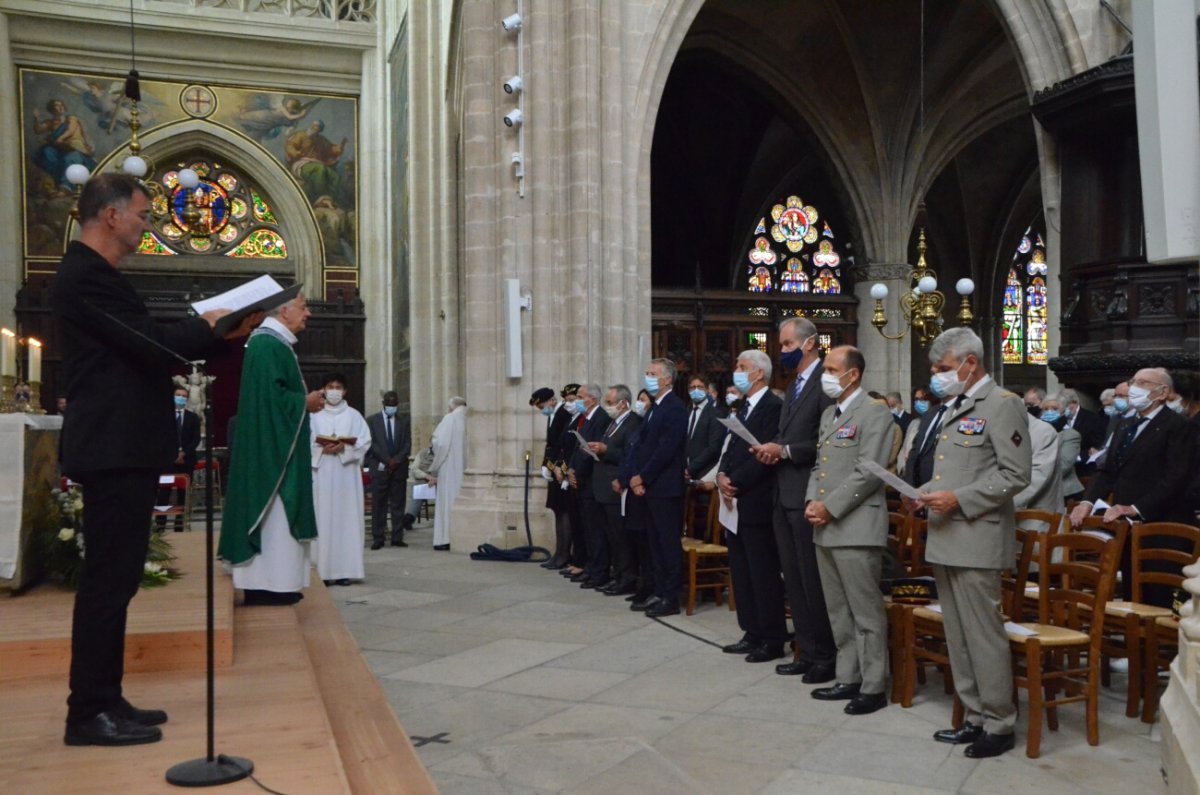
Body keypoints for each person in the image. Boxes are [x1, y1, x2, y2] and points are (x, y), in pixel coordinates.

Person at [55, 172, 255, 747]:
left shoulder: (101, 276)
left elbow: (145, 342)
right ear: (111, 216)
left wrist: (220, 333)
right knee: (106, 584)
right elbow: (150, 343)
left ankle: (106, 697)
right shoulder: (85, 276)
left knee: (118, 582)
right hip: (114, 446)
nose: (148, 227)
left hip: (124, 445)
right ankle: (87, 713)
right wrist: (213, 329)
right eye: (143, 216)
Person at [910, 327, 1031, 759]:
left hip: (978, 536)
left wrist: (958, 499)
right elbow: (954, 470)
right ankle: (974, 716)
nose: (938, 377)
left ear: (970, 363)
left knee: (982, 634)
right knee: (958, 634)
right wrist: (924, 493)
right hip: (946, 535)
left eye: (944, 369)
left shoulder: (1002, 405)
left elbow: (1015, 475)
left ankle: (999, 724)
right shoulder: (953, 406)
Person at [804, 346, 893, 715]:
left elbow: (869, 470)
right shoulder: (830, 413)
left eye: (830, 368)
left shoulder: (875, 412)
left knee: (865, 612)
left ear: (852, 374)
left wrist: (830, 506)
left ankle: (873, 685)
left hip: (856, 525)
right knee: (838, 610)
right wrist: (812, 501)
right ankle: (848, 677)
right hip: (825, 525)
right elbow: (819, 467)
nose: (824, 374)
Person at [219, 294, 323, 606]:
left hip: (278, 444)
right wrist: (303, 403)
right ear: (284, 310)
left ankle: (276, 583)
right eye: (303, 307)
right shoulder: (267, 344)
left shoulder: (275, 343)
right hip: (271, 453)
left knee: (279, 520)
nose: (308, 314)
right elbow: (269, 401)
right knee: (274, 515)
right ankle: (263, 585)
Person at [751, 317, 836, 681]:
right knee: (794, 579)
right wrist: (774, 451)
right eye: (781, 345)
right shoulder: (794, 383)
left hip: (808, 491)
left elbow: (826, 442)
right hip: (783, 492)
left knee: (811, 579)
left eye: (787, 345)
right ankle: (805, 648)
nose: (782, 351)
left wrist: (784, 451)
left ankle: (824, 657)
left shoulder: (824, 383)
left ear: (810, 343)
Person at [1070, 368, 1194, 605]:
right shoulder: (1124, 424)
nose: (1134, 387)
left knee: (1158, 595)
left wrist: (1135, 507)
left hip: (1160, 522)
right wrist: (1086, 502)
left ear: (1162, 392)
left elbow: (1176, 477)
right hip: (1126, 525)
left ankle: (1157, 641)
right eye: (1133, 381)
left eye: (1143, 383)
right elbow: (1107, 471)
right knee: (1132, 591)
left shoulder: (1177, 426)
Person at [717, 349, 787, 662]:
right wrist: (721, 474)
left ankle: (772, 638)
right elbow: (733, 447)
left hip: (757, 498)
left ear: (758, 373)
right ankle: (751, 631)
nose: (737, 371)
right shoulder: (744, 406)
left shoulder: (774, 406)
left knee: (763, 573)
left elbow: (764, 457)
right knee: (742, 572)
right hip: (734, 501)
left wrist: (737, 482)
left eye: (742, 367)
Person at [623, 358, 688, 617]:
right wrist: (637, 477)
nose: (648, 377)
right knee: (654, 544)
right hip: (651, 486)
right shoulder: (655, 408)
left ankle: (670, 597)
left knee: (668, 543)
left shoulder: (674, 407)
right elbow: (642, 445)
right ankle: (659, 591)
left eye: (653, 374)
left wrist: (643, 477)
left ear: (668, 379)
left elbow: (665, 450)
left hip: (666, 487)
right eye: (647, 373)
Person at [310, 373, 371, 585]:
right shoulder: (314, 416)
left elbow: (364, 442)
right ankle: (322, 571)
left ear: (344, 391)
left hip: (347, 476)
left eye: (338, 386)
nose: (334, 390)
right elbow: (305, 442)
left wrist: (345, 448)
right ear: (323, 390)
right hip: (322, 473)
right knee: (322, 518)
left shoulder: (354, 416)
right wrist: (321, 450)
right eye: (330, 386)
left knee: (346, 520)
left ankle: (344, 570)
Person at [588, 384, 641, 595]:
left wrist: (606, 449)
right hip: (602, 485)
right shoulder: (612, 423)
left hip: (616, 485)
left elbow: (630, 454)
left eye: (610, 403)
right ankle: (616, 574)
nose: (607, 407)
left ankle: (627, 577)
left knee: (621, 537)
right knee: (610, 535)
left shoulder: (633, 423)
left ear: (623, 403)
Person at [567, 384, 611, 588]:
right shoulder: (587, 418)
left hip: (593, 480)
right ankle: (591, 566)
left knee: (596, 529)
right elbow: (579, 448)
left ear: (592, 399)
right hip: (582, 480)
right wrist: (571, 470)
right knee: (587, 528)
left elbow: (591, 451)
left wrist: (579, 472)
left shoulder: (601, 418)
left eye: (580, 396)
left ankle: (599, 570)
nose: (577, 400)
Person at [539, 384, 580, 569]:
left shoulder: (565, 415)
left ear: (551, 401)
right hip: (555, 471)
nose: (543, 410)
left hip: (562, 473)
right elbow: (551, 446)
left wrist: (560, 468)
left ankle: (564, 554)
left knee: (564, 513)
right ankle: (559, 553)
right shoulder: (555, 416)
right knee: (558, 511)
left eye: (572, 400)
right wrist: (546, 466)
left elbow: (565, 447)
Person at [365, 390, 411, 549]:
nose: (392, 406)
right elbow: (371, 443)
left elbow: (407, 444)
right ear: (383, 404)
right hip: (379, 466)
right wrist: (387, 459)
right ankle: (378, 537)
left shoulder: (404, 421)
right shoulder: (372, 421)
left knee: (398, 503)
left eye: (395, 404)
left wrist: (396, 460)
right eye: (389, 404)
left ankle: (397, 536)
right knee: (379, 504)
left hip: (399, 467)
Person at [685, 374, 725, 539]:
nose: (696, 391)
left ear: (707, 390)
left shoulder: (715, 413)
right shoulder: (686, 412)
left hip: (703, 473)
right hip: (685, 475)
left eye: (700, 387)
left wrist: (691, 468)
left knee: (702, 523)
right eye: (692, 387)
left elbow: (713, 448)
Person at [1012, 398, 1062, 522]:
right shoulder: (1004, 428)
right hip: (1005, 515)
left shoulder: (1043, 432)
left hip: (1037, 516)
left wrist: (998, 502)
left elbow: (1038, 477)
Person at [428, 397, 468, 550]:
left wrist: (434, 465)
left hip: (449, 468)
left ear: (451, 407)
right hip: (465, 470)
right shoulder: (470, 419)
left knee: (447, 501)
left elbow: (440, 443)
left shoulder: (450, 418)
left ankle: (444, 539)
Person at [1039, 394, 1083, 501]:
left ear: (1064, 412)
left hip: (1065, 492)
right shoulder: (1037, 433)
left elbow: (1064, 465)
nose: (1049, 412)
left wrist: (1037, 474)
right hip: (1040, 489)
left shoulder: (1071, 435)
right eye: (1046, 409)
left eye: (1054, 409)